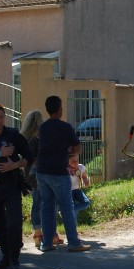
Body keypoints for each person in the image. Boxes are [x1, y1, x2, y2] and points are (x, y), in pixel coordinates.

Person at [37, 96, 91, 253]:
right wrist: (69, 154)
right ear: (59, 109)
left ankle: (46, 243)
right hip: (59, 172)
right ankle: (73, 242)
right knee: (67, 206)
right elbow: (77, 148)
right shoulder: (65, 127)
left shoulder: (43, 127)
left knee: (47, 207)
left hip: (42, 171)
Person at [0, 103, 33, 269]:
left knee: (14, 223)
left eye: (1, 117)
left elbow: (29, 156)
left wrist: (15, 164)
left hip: (11, 186)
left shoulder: (13, 135)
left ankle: (15, 259)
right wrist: (0, 153)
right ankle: (5, 256)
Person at [20, 110, 63, 248]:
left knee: (39, 203)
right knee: (47, 204)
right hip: (41, 174)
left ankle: (39, 234)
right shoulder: (37, 139)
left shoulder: (26, 138)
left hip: (31, 176)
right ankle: (47, 234)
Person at [67, 154, 91, 224]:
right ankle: (73, 228)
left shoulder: (80, 167)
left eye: (76, 160)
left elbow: (84, 176)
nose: (75, 162)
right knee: (74, 209)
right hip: (68, 191)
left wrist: (86, 181)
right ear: (67, 160)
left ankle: (70, 209)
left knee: (86, 203)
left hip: (77, 190)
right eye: (73, 161)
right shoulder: (64, 169)